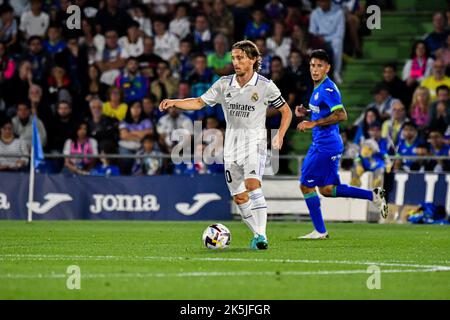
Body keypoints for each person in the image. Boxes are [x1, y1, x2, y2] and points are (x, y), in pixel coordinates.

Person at [159, 40, 293, 250]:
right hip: (231, 148)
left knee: (252, 185)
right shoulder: (223, 84)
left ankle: (262, 236)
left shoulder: (265, 86)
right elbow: (198, 102)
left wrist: (280, 135)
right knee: (240, 198)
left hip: (254, 144)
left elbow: (286, 111)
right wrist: (175, 101)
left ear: (253, 60)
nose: (235, 62)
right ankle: (257, 234)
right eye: (233, 58)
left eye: (240, 58)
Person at [295, 49, 387, 240]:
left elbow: (341, 115)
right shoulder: (318, 88)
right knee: (327, 190)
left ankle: (320, 231)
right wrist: (307, 113)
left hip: (324, 146)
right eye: (312, 65)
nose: (315, 69)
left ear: (327, 68)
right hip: (328, 144)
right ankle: (373, 196)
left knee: (306, 186)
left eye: (319, 65)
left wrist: (313, 123)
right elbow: (323, 112)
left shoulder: (327, 89)